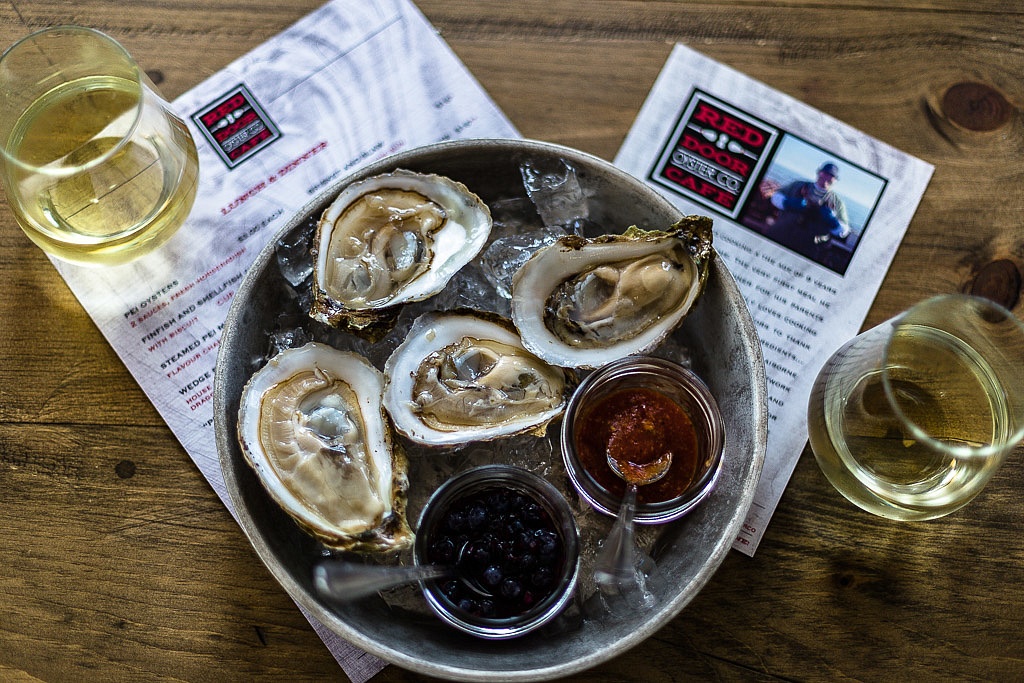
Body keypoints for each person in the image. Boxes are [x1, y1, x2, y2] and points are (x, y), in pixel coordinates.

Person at [768, 161, 851, 261]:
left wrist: (833, 222)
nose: (826, 177)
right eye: (824, 173)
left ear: (835, 180)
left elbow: (844, 231)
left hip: (810, 247)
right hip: (781, 233)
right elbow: (775, 197)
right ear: (819, 173)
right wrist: (787, 203)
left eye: (831, 176)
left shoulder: (838, 202)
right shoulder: (798, 185)